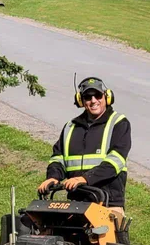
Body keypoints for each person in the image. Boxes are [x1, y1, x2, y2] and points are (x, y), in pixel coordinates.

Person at [38, 77, 131, 215]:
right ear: (81, 101)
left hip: (108, 203)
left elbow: (115, 161)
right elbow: (58, 158)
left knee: (105, 236)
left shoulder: (118, 123)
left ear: (107, 97)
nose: (93, 101)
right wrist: (53, 177)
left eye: (98, 95)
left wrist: (85, 179)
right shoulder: (71, 127)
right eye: (88, 97)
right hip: (77, 203)